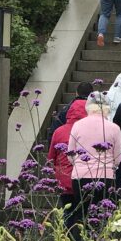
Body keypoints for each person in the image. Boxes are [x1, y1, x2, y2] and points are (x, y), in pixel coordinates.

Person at [67, 91, 121, 239]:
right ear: (106, 109)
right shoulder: (114, 128)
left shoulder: (77, 125)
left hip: (80, 175)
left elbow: (70, 153)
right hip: (106, 175)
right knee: (104, 213)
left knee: (81, 213)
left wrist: (79, 164)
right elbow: (117, 158)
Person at [47, 98, 88, 229]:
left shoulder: (58, 131)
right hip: (83, 178)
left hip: (63, 179)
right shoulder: (87, 131)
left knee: (67, 211)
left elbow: (51, 157)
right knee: (82, 212)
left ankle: (65, 239)